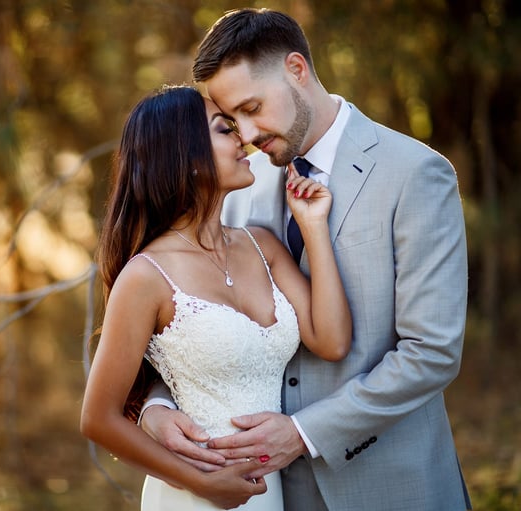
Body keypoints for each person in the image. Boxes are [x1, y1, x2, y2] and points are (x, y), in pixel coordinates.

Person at [140, 8, 472, 511]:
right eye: (233, 121)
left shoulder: (415, 173)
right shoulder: (238, 184)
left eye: (253, 107)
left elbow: (432, 353)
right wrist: (157, 408)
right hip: (267, 493)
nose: (247, 135)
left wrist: (303, 432)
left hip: (389, 485)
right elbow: (195, 327)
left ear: (296, 69)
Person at [80, 84, 351, 510]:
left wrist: (314, 227)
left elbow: (332, 341)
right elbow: (98, 418)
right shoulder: (146, 276)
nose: (244, 138)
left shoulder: (262, 246)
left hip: (268, 492)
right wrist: (200, 484)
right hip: (193, 495)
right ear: (185, 157)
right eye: (225, 129)